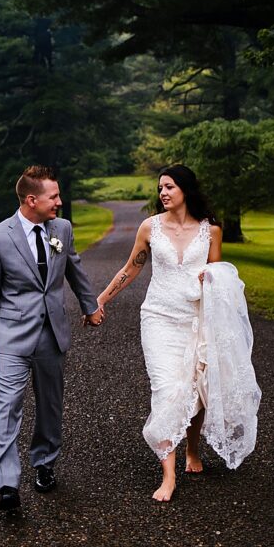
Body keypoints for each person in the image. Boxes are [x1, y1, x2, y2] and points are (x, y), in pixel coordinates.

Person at [97, 164, 260, 502]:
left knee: (196, 390)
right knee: (167, 388)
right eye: (160, 189)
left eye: (169, 187)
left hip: (197, 319)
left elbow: (219, 275)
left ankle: (193, 449)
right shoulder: (150, 227)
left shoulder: (211, 230)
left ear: (185, 188)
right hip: (158, 317)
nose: (164, 193)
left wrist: (210, 279)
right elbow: (131, 268)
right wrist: (100, 300)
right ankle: (168, 477)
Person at [0, 165, 104, 512]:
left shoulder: (61, 228)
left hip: (52, 333)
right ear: (31, 200)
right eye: (54, 197)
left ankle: (44, 462)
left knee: (50, 405)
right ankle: (6, 485)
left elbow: (74, 269)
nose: (60, 203)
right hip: (11, 338)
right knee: (8, 406)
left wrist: (91, 306)